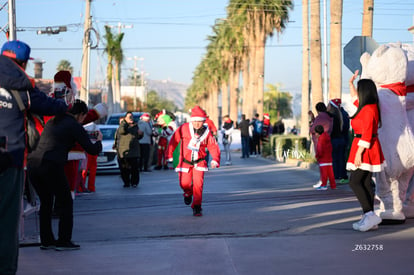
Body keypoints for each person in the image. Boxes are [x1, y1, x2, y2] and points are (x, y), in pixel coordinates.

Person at [0, 40, 68, 275]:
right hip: (10, 157)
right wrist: (63, 104)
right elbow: (48, 106)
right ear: (24, 62)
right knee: (7, 221)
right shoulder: (20, 82)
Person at [28, 100, 102, 251]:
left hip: (34, 164)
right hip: (51, 165)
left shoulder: (53, 121)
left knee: (46, 202)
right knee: (66, 201)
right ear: (81, 115)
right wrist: (99, 141)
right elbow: (92, 150)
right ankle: (63, 241)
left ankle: (47, 241)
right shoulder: (74, 125)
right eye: (83, 117)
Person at [347, 70, 385, 232]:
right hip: (364, 145)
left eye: (358, 88)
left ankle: (370, 214)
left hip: (365, 148)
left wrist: (358, 152)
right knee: (365, 182)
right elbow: (355, 99)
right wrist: (351, 83)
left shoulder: (369, 109)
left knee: (355, 181)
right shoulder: (366, 107)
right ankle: (369, 217)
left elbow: (368, 132)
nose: (357, 91)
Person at [166, 106, 220, 216]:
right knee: (184, 183)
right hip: (185, 162)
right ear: (192, 120)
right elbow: (174, 141)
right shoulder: (184, 128)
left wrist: (215, 159)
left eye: (199, 121)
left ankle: (197, 206)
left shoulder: (206, 132)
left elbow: (213, 146)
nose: (197, 123)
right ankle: (187, 192)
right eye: (195, 121)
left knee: (198, 186)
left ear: (203, 121)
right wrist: (169, 154)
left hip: (199, 162)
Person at [116, 112, 143, 188]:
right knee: (125, 169)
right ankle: (126, 182)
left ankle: (134, 182)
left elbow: (138, 137)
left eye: (132, 117)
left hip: (134, 150)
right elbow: (122, 131)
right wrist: (125, 122)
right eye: (129, 117)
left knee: (135, 169)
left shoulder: (135, 125)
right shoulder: (123, 125)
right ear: (125, 118)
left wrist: (140, 134)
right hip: (124, 151)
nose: (131, 118)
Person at [327, 98, 347, 183]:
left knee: (334, 159)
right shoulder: (344, 114)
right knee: (341, 158)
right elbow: (345, 129)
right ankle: (343, 176)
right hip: (342, 140)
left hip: (334, 140)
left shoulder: (330, 116)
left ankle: (334, 177)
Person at [313, 125, 336, 190]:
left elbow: (320, 149)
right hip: (329, 159)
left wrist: (317, 156)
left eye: (315, 133)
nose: (315, 135)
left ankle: (324, 185)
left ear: (318, 133)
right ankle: (333, 185)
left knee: (324, 174)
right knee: (331, 174)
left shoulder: (320, 139)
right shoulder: (327, 137)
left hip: (323, 160)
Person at [81, 122, 99, 192]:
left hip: (86, 150)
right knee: (92, 170)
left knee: (84, 169)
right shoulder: (95, 126)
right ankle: (91, 187)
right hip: (94, 148)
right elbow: (100, 136)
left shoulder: (83, 125)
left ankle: (81, 187)